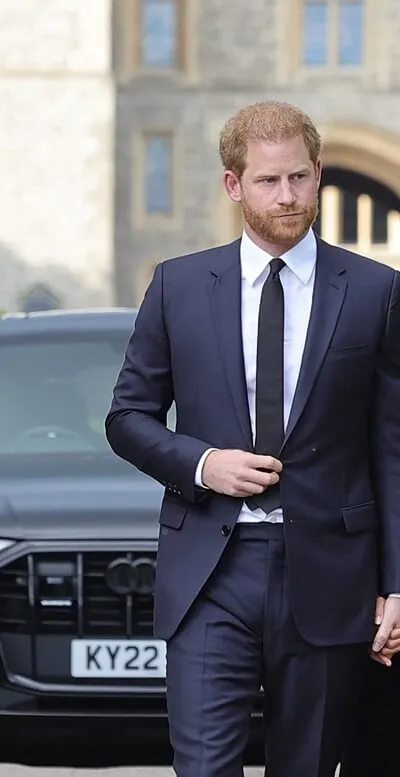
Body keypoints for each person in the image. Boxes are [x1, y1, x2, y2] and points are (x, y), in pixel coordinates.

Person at [105, 100, 400, 776]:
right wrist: (204, 463)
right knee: (205, 766)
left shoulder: (376, 292)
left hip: (331, 572)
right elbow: (127, 417)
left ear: (319, 173)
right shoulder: (178, 286)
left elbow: (391, 450)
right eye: (269, 181)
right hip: (212, 568)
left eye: (300, 177)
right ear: (234, 185)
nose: (288, 195)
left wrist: (397, 582)